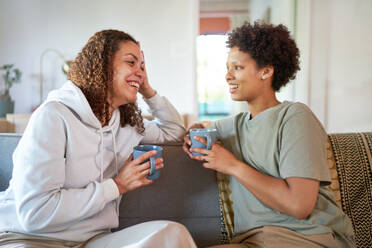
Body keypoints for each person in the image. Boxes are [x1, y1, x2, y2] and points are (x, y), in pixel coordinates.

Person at [0, 29, 196, 248]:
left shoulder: (126, 122)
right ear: (102, 65)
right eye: (131, 62)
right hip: (28, 238)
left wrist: (147, 89)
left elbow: (174, 131)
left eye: (142, 66)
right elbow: (35, 215)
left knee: (172, 235)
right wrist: (117, 185)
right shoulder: (53, 116)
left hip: (91, 240)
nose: (139, 72)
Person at [183, 22, 355, 248]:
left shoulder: (295, 117)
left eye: (237, 67)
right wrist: (193, 134)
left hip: (308, 237)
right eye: (228, 68)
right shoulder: (235, 125)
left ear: (266, 71)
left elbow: (299, 205)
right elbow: (200, 127)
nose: (227, 76)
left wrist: (232, 165)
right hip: (254, 240)